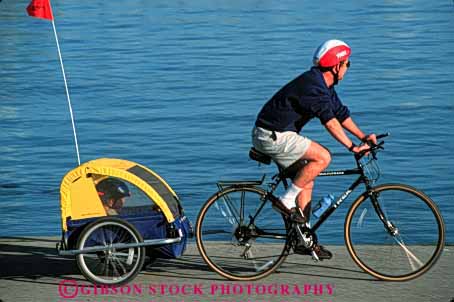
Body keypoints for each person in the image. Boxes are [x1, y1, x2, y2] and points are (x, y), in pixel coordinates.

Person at [252, 39, 377, 259]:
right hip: (271, 135)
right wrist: (351, 147)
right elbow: (329, 122)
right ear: (337, 66)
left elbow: (340, 114)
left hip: (278, 134)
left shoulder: (323, 84)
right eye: (348, 64)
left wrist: (363, 136)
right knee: (323, 156)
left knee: (306, 180)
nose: (348, 68)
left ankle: (303, 239)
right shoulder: (314, 86)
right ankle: (285, 202)